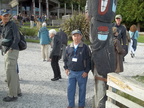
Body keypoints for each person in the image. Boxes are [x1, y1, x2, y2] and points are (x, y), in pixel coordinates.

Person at [64, 30, 91, 108]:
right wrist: (66, 69)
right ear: (72, 37)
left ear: (81, 36)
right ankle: (71, 104)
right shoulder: (68, 47)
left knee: (82, 90)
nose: (76, 37)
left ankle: (81, 104)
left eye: (78, 35)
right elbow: (65, 59)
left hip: (82, 73)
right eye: (74, 35)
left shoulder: (85, 47)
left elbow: (89, 60)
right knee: (70, 89)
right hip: (71, 72)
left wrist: (86, 71)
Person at [1, 9, 21, 102]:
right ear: (1, 16)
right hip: (7, 51)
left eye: (7, 15)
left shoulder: (12, 24)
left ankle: (12, 95)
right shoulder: (3, 25)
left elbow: (17, 37)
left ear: (9, 16)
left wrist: (11, 48)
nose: (5, 17)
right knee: (13, 72)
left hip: (11, 51)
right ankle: (17, 91)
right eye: (4, 15)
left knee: (10, 72)